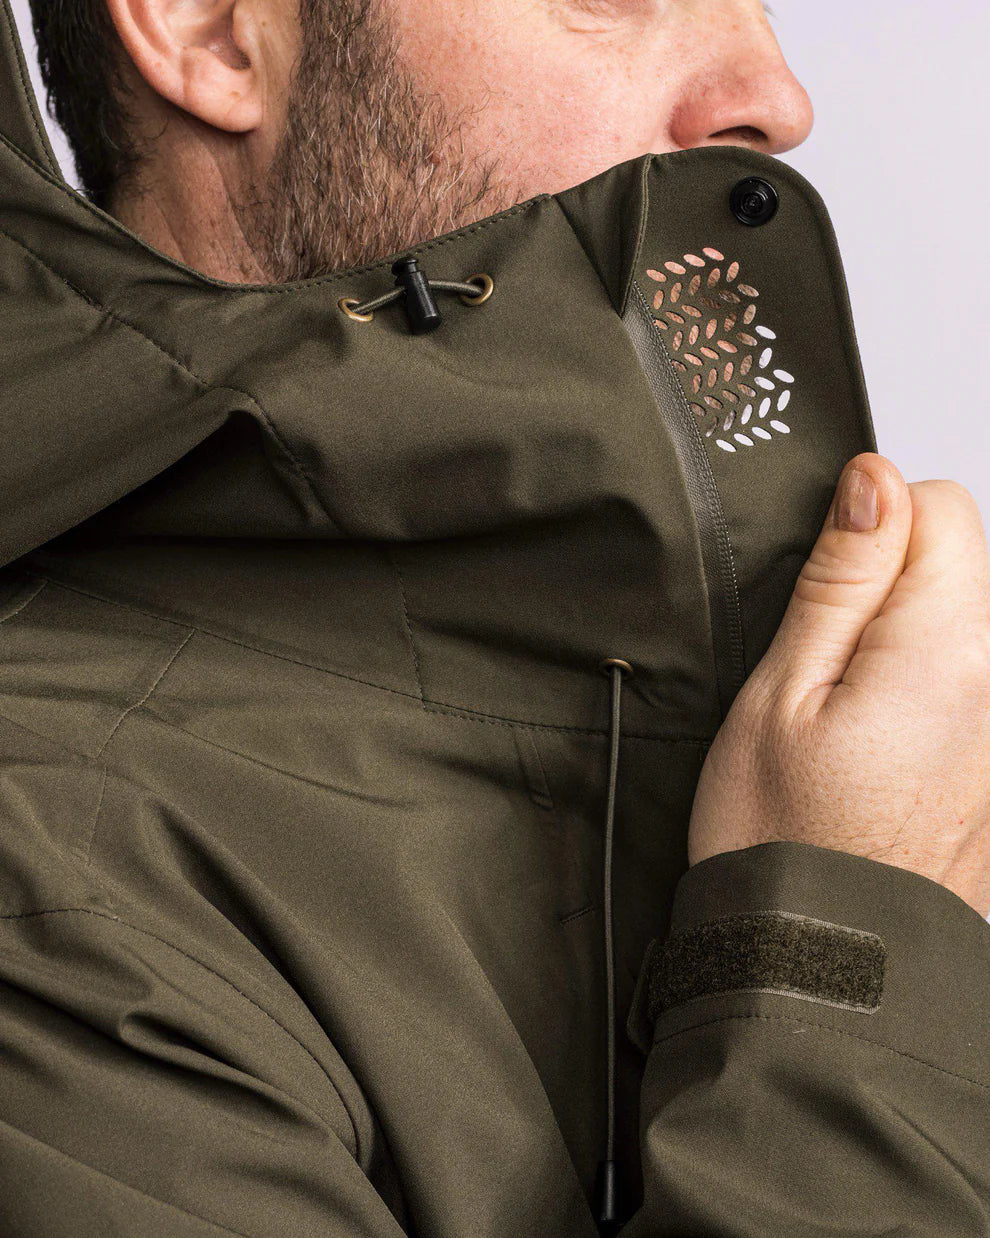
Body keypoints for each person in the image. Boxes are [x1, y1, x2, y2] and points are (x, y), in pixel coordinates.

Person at [0, 0, 986, 1233]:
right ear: (210, 29)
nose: (777, 98)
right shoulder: (50, 907)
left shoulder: (872, 753)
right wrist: (848, 947)